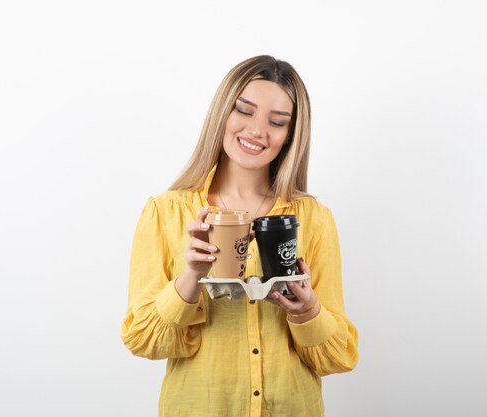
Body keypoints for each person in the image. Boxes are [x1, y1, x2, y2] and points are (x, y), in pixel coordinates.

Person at [120, 55, 359, 417]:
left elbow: (338, 356)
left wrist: (308, 311)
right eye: (244, 111)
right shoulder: (165, 212)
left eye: (277, 122)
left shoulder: (313, 219)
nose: (257, 131)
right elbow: (142, 339)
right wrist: (190, 276)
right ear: (222, 113)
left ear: (291, 136)